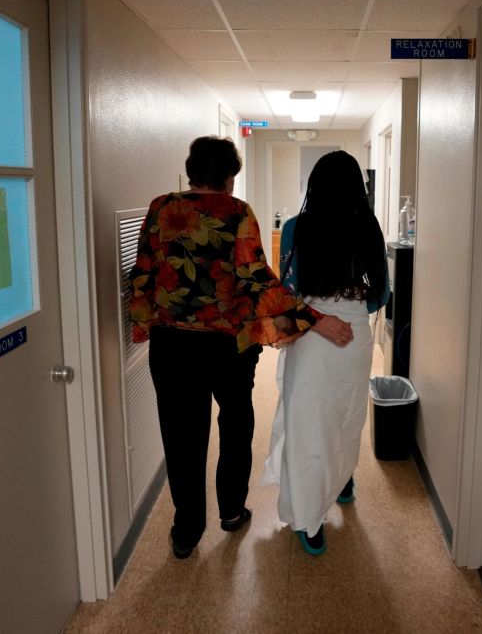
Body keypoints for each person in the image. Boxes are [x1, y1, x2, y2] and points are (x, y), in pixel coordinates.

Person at [127, 136, 354, 560]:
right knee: (234, 423)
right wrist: (315, 319)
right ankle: (231, 510)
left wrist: (144, 326)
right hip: (228, 346)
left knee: (181, 436)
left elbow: (142, 272)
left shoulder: (161, 208)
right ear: (230, 177)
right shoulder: (236, 213)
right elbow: (257, 277)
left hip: (172, 345)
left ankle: (186, 531)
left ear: (192, 169)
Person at [261, 150, 390, 556]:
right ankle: (343, 481)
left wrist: (321, 315)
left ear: (314, 184)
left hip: (313, 332)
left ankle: (309, 518)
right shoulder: (368, 226)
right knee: (346, 415)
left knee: (308, 425)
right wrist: (349, 311)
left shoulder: (299, 226)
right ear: (358, 186)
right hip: (353, 336)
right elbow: (380, 292)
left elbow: (286, 288)